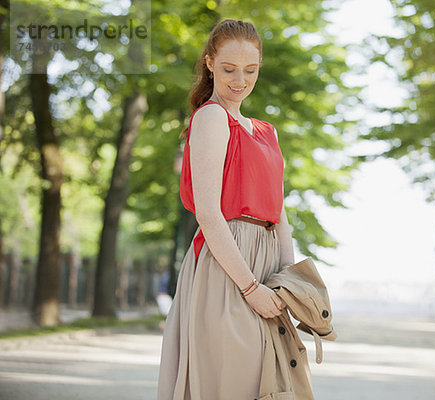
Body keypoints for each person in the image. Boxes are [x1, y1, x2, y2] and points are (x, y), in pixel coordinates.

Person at [157, 19, 297, 400]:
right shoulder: (211, 117)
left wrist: (290, 280)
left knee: (270, 386)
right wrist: (250, 287)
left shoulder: (267, 131)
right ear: (209, 64)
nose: (239, 80)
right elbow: (208, 213)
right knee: (233, 382)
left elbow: (279, 215)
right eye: (228, 69)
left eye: (250, 70)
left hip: (267, 265)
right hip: (227, 267)